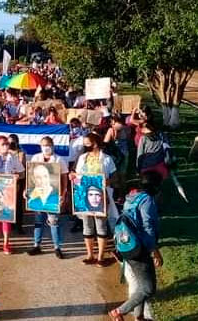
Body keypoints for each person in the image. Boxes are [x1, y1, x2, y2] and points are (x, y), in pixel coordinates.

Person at [109, 171, 164, 321]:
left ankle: (139, 317)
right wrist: (155, 251)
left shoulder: (132, 197)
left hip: (128, 245)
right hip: (140, 248)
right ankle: (119, 311)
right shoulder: (147, 200)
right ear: (155, 186)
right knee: (148, 288)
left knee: (141, 286)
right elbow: (148, 227)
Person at [72, 133, 118, 267]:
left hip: (100, 197)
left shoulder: (107, 159)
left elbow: (115, 178)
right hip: (84, 196)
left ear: (95, 143)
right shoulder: (82, 158)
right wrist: (72, 175)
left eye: (87, 143)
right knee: (87, 225)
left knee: (101, 226)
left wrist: (106, 182)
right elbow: (75, 173)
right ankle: (90, 255)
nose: (85, 145)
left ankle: (101, 256)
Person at [27, 136, 69, 258]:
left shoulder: (59, 159)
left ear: (53, 146)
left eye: (48, 145)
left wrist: (63, 194)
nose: (46, 147)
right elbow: (31, 177)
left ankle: (57, 247)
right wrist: (28, 191)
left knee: (54, 221)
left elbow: (64, 177)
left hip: (53, 195)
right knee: (38, 221)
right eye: (44, 145)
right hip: (38, 196)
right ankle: (36, 245)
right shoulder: (36, 158)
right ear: (41, 146)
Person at [8, 134, 27, 234]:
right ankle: (10, 223)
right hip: (8, 181)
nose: (11, 144)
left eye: (13, 142)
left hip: (19, 180)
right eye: (9, 142)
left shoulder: (21, 153)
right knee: (9, 203)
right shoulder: (5, 153)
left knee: (18, 204)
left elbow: (22, 168)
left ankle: (19, 225)